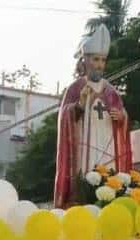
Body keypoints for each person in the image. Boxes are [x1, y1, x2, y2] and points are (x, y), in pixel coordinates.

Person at [54, 23, 132, 208]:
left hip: (107, 145)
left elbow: (123, 117)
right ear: (85, 61)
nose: (99, 65)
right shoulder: (75, 88)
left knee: (109, 179)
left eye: (103, 60)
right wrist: (79, 106)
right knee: (86, 180)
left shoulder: (111, 91)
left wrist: (121, 118)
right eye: (95, 60)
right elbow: (65, 116)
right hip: (84, 149)